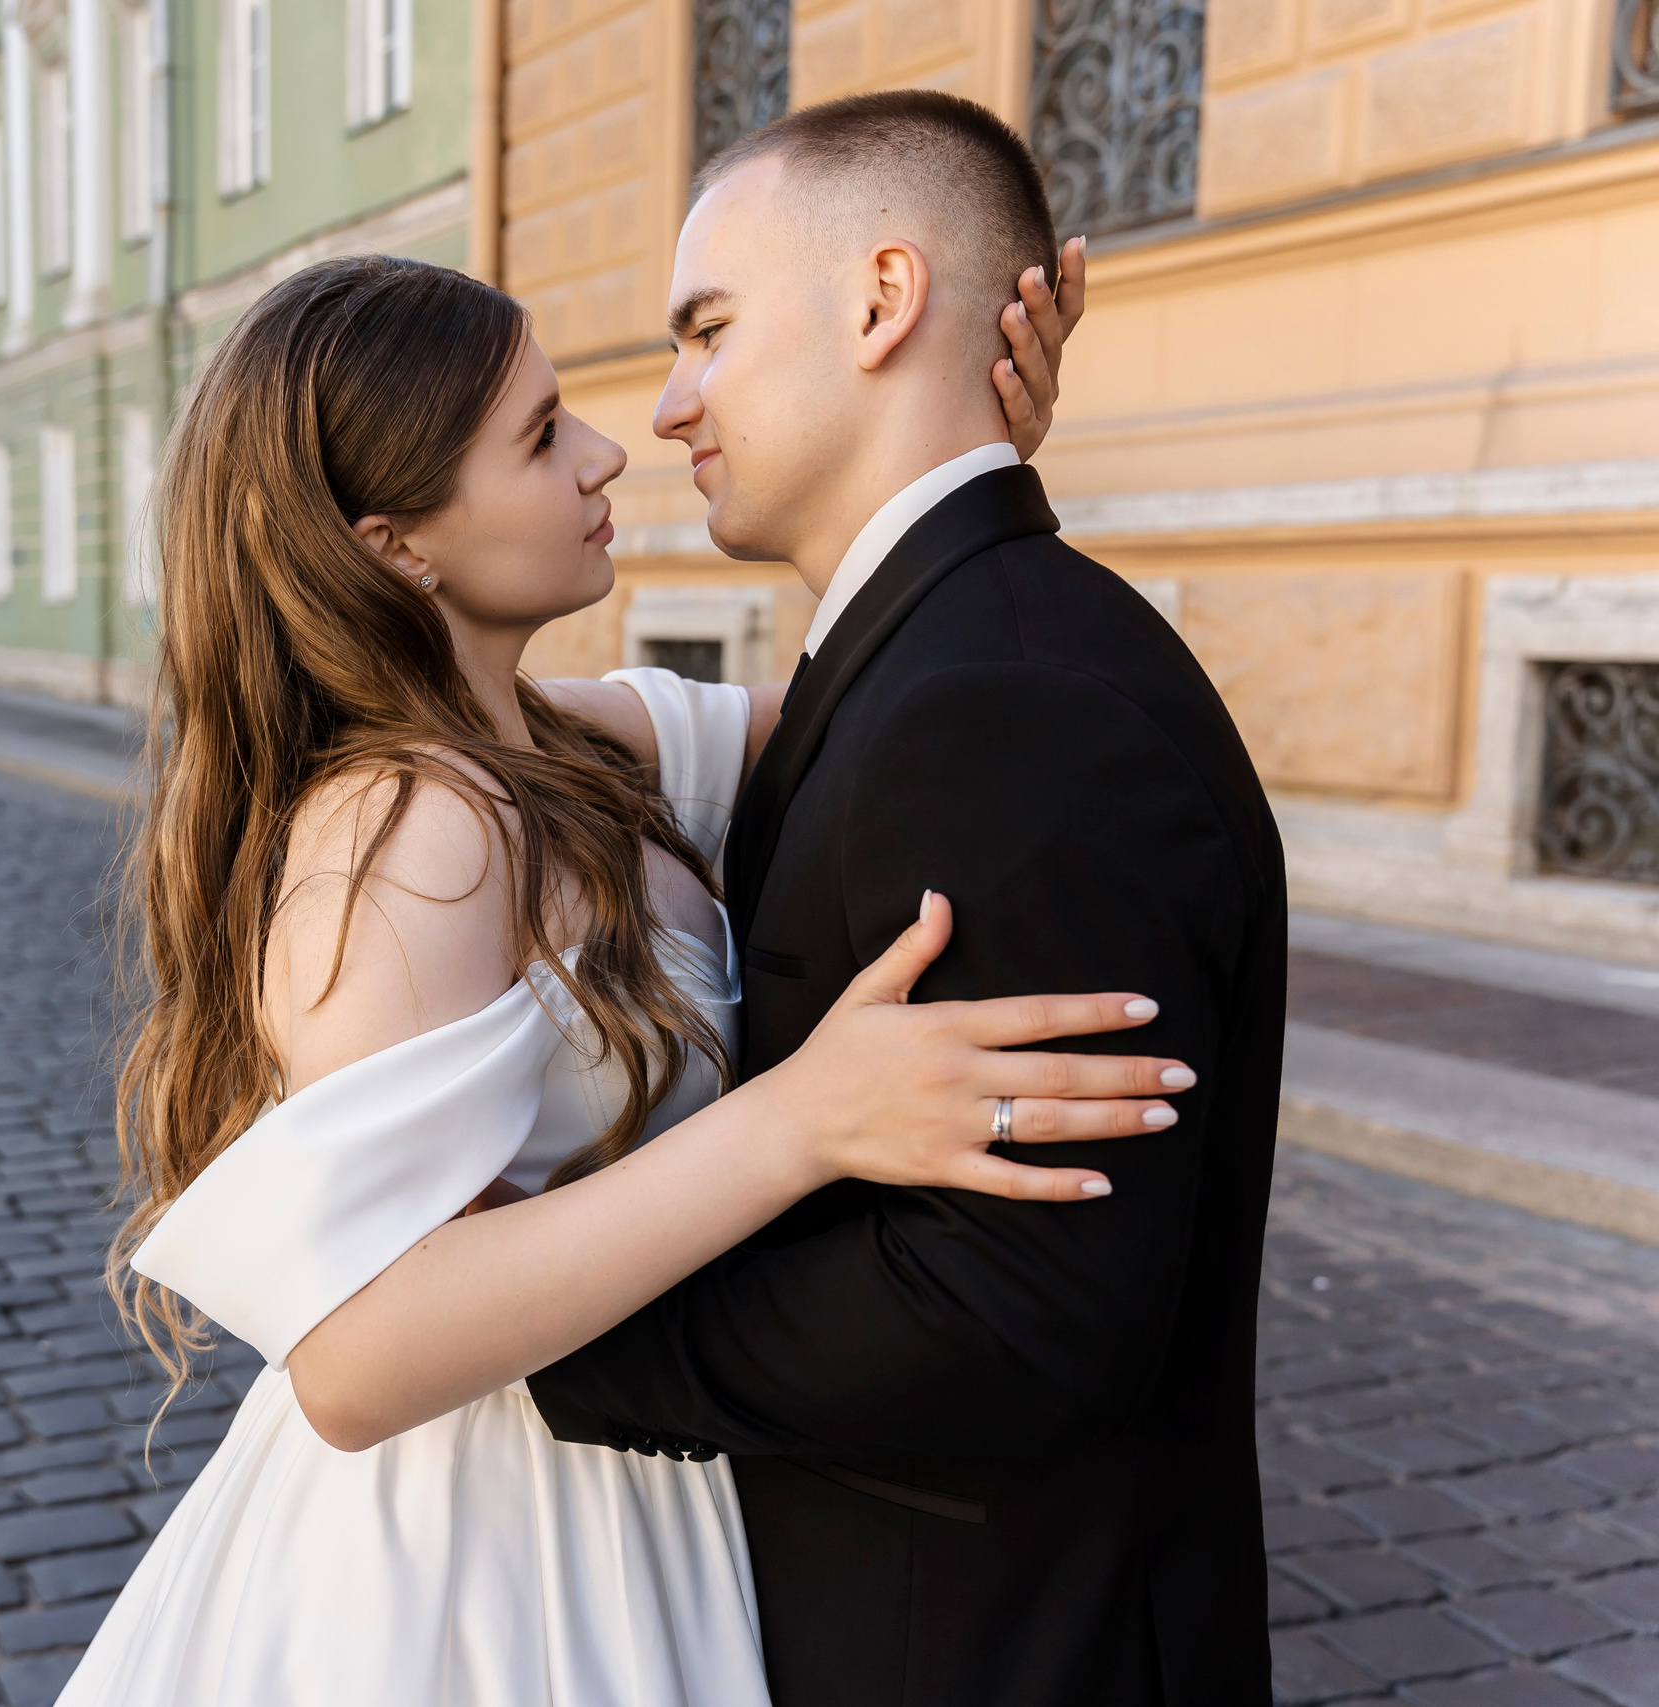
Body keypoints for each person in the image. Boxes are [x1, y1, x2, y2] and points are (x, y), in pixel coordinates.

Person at [60, 217, 1180, 1698]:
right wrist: (800, 1119)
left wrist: (960, 454)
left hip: (650, 1490)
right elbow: (357, 1355)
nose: (606, 451)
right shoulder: (405, 826)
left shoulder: (564, 738)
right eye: (538, 437)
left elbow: (881, 693)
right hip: (480, 1572)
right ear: (395, 541)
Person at [524, 93, 1285, 1707]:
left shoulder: (1001, 697)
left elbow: (1013, 1307)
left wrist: (558, 1327)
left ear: (882, 300)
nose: (668, 404)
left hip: (983, 1644)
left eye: (707, 330)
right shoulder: (949, 649)